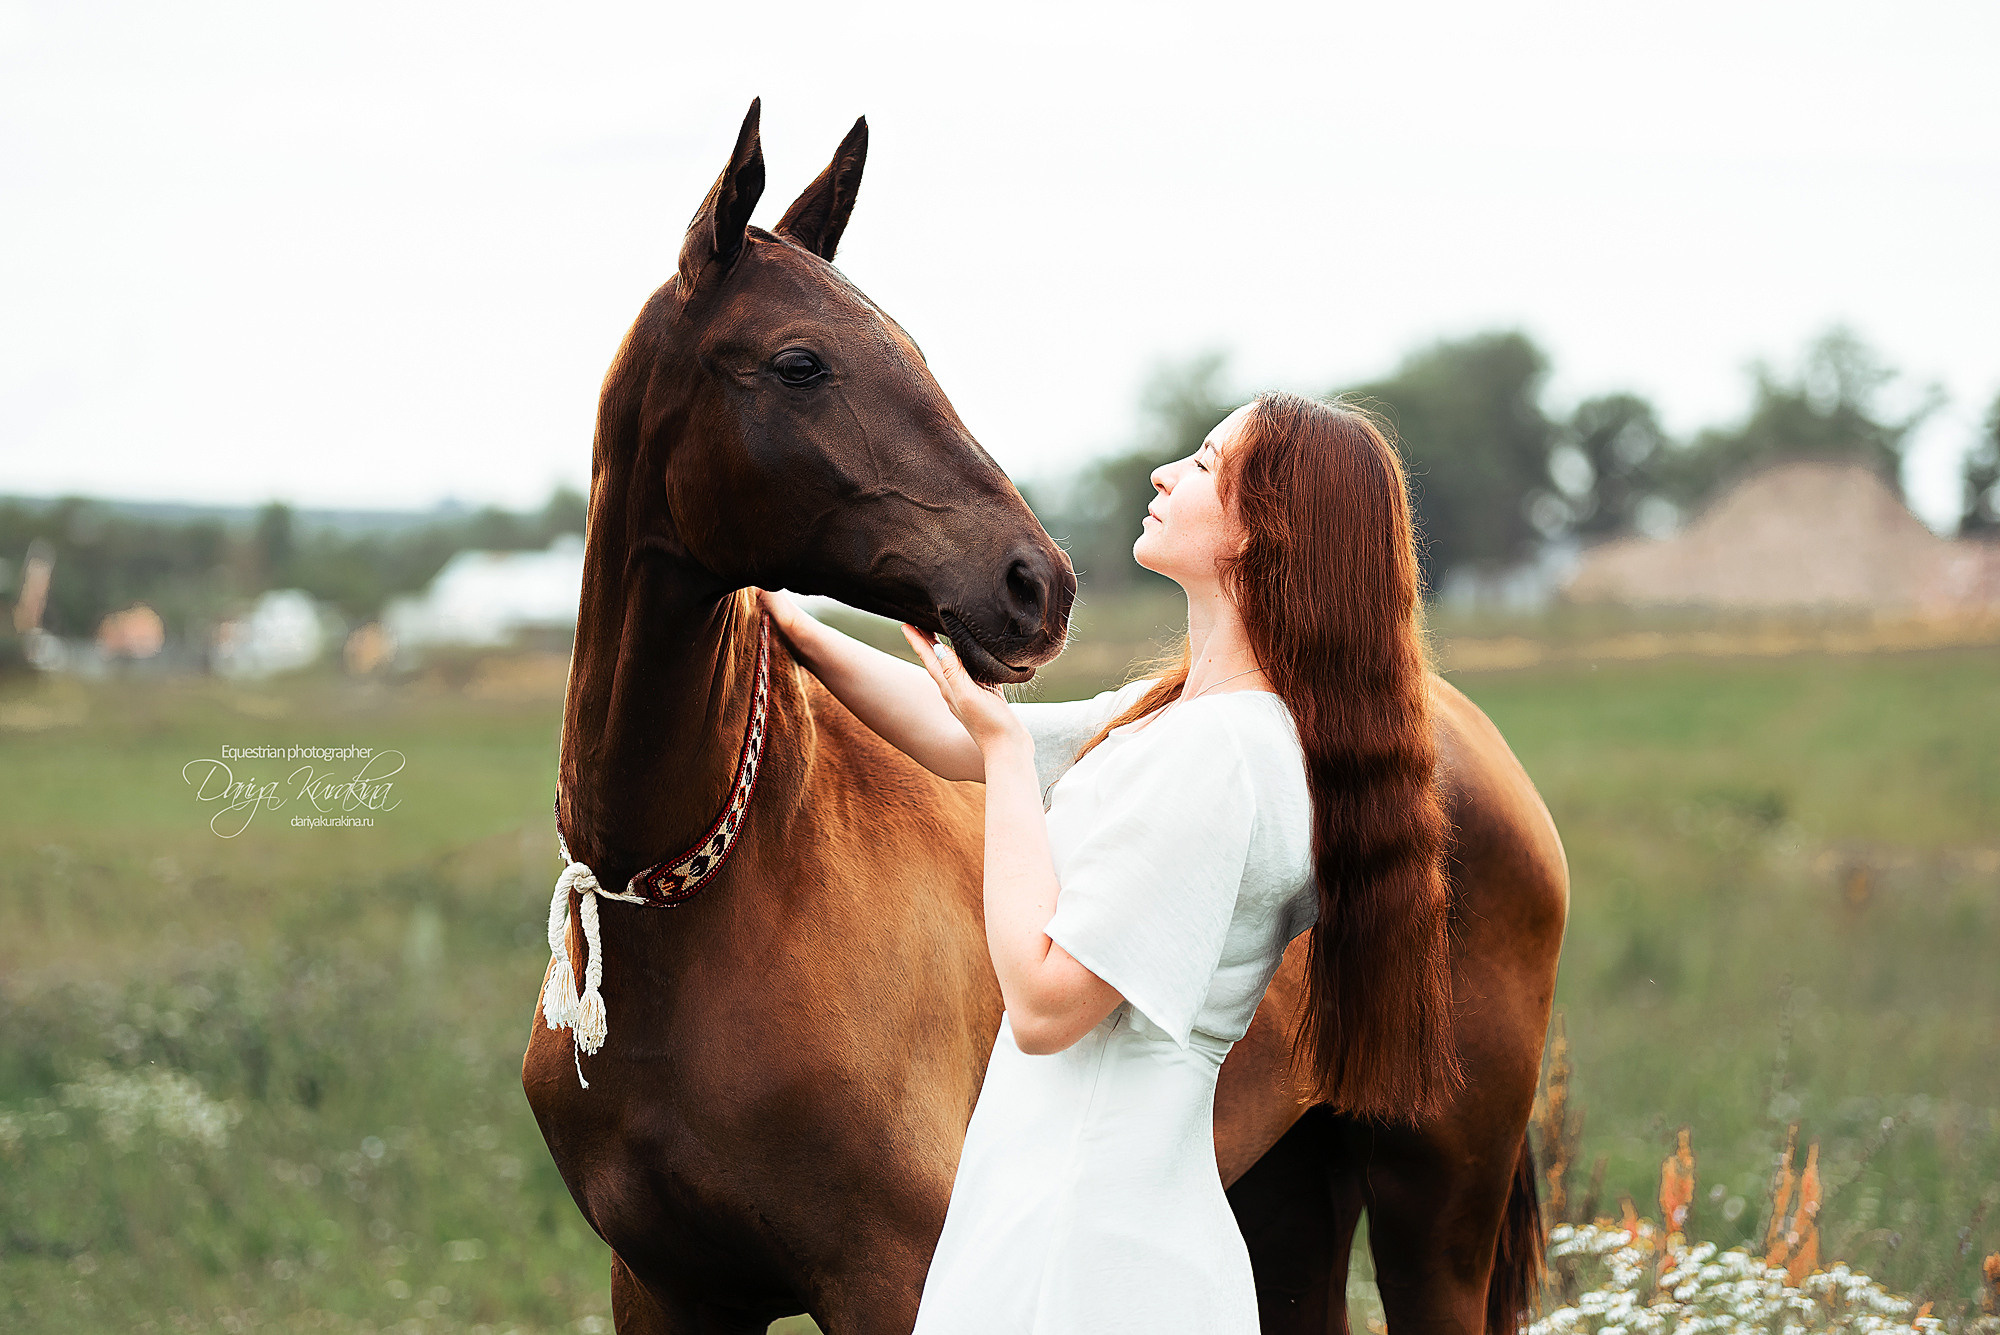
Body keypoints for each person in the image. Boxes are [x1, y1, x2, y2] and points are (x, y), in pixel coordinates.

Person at [757, 392, 1458, 1333]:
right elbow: (951, 731)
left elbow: (1048, 1004)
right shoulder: (1185, 720)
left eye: (1207, 464)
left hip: (1085, 1259)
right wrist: (782, 618)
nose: (1167, 473)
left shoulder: (1219, 758)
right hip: (1080, 1227)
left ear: (1269, 531)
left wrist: (1007, 761)